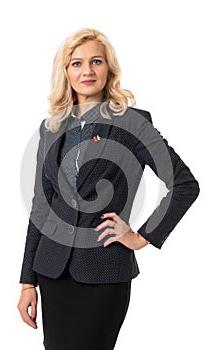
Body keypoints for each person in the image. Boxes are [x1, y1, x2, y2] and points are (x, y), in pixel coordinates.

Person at [17, 28, 200, 350]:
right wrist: (26, 281)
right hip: (51, 270)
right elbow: (40, 208)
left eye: (96, 61)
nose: (87, 71)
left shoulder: (133, 123)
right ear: (65, 72)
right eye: (76, 63)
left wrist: (142, 237)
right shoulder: (50, 129)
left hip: (103, 271)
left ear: (109, 69)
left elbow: (184, 184)